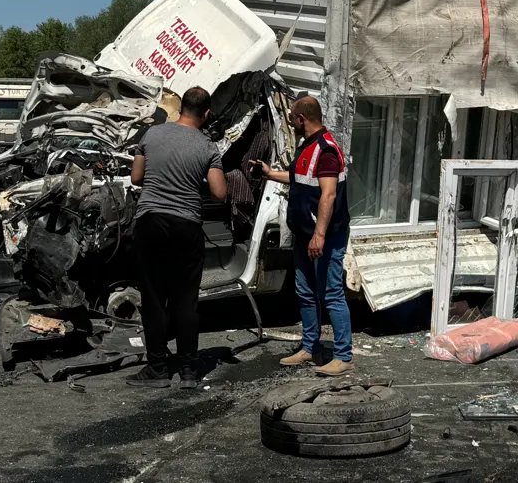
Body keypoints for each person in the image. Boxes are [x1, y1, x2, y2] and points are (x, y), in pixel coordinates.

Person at [127, 86, 227, 389]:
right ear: (207, 114)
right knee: (186, 302)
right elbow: (220, 193)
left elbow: (136, 178)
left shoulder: (153, 134)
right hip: (186, 227)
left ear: (181, 108)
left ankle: (157, 368)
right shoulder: (208, 147)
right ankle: (187, 370)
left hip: (150, 223)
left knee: (154, 299)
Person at [252, 96, 353, 376]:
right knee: (306, 293)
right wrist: (270, 174)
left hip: (326, 237)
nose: (292, 124)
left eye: (293, 119)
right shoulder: (306, 146)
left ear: (300, 120)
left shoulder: (327, 150)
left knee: (331, 293)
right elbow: (299, 177)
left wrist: (319, 235)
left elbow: (329, 194)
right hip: (304, 235)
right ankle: (311, 348)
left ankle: (343, 356)